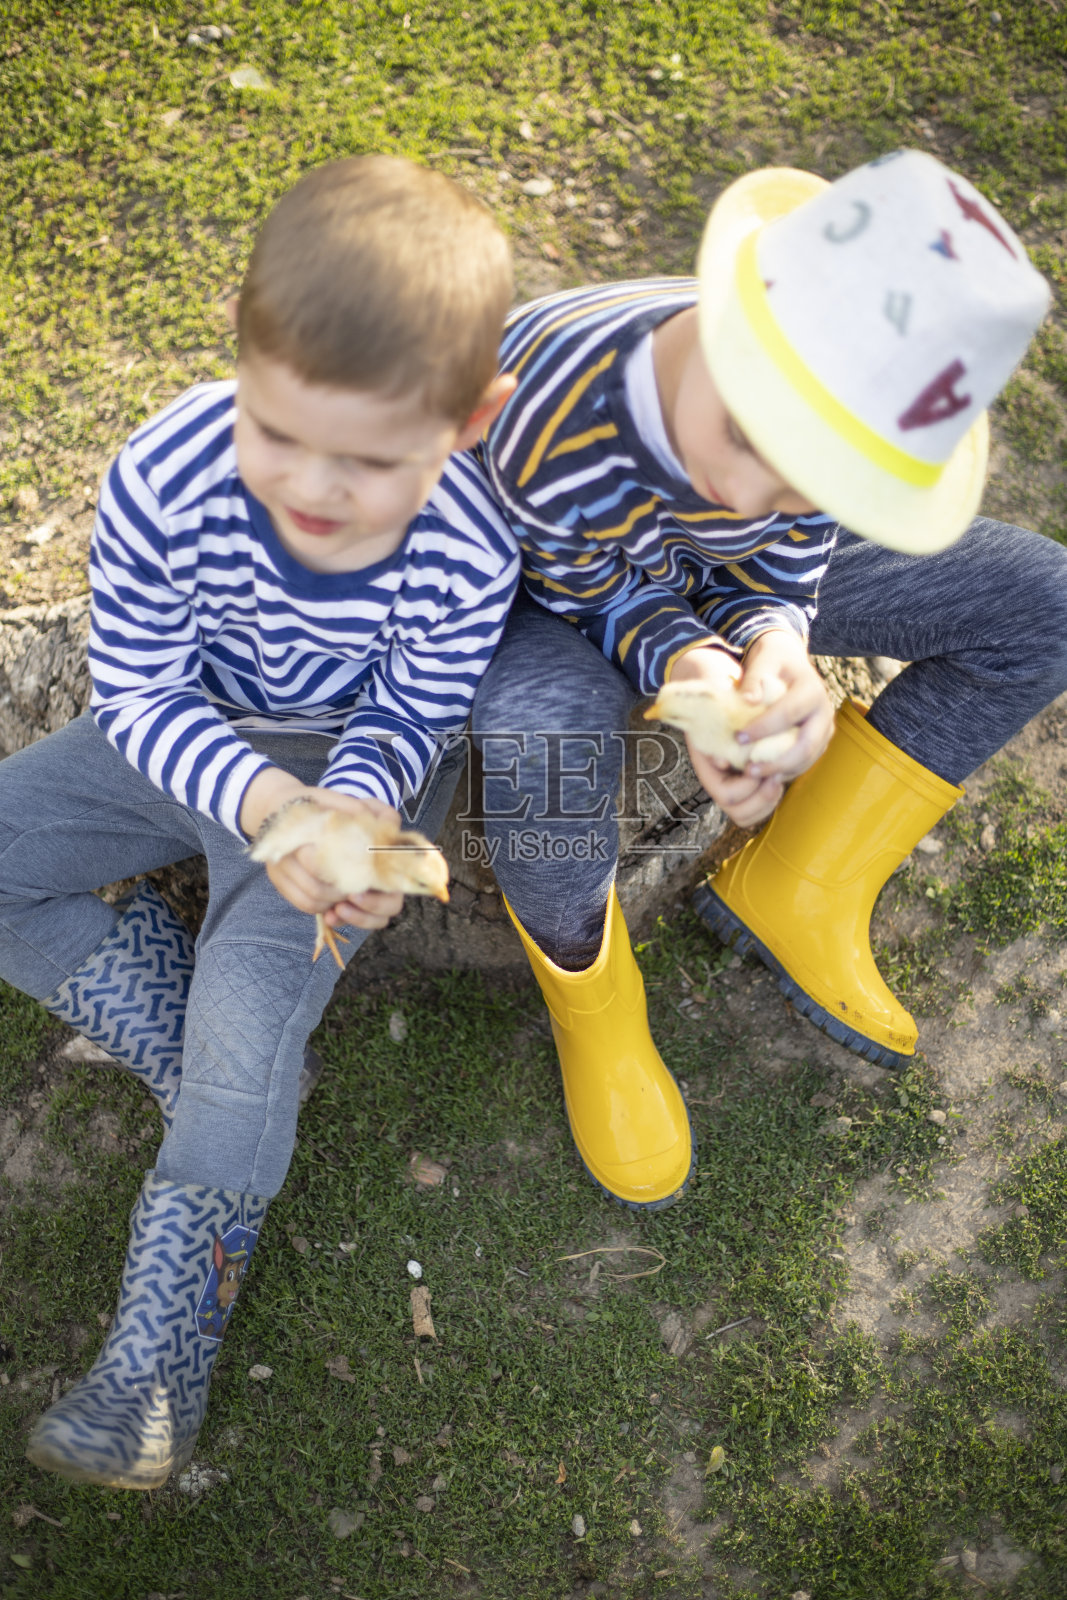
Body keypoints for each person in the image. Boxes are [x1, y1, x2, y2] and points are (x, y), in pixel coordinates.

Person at [2, 154, 519, 1489]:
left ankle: (155, 1370)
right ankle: (212, 1082)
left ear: (468, 421)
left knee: (251, 1016)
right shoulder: (166, 475)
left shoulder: (469, 541)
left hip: (355, 775)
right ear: (239, 352)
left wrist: (341, 817)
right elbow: (138, 688)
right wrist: (256, 799)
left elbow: (412, 713)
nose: (316, 487)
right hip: (192, 743)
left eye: (367, 458)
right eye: (279, 433)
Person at [471, 149, 1063, 1212]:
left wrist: (776, 639)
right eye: (747, 435)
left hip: (699, 586)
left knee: (1039, 600)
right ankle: (591, 999)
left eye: (811, 473)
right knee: (536, 748)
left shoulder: (823, 417)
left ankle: (801, 881)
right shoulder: (552, 395)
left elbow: (786, 546)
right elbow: (584, 580)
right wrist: (699, 669)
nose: (745, 488)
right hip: (554, 596)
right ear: (730, 317)